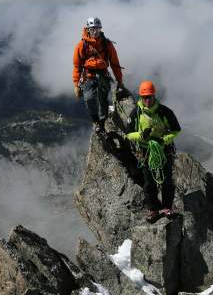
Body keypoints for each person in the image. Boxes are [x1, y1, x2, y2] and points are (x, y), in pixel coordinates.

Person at [125, 80, 181, 222]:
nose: (147, 100)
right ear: (141, 97)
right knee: (149, 182)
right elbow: (128, 133)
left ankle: (167, 207)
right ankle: (153, 209)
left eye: (149, 97)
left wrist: (164, 140)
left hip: (164, 150)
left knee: (167, 180)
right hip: (145, 151)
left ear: (154, 96)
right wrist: (141, 135)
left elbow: (176, 130)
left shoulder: (164, 112)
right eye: (144, 97)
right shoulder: (136, 113)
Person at [73, 17, 124, 135]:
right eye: (92, 29)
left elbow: (115, 64)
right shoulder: (82, 45)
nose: (95, 31)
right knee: (89, 99)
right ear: (88, 30)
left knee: (102, 100)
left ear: (100, 29)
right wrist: (76, 85)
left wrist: (119, 80)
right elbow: (77, 66)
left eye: (97, 29)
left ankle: (101, 123)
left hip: (102, 75)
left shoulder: (107, 44)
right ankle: (95, 120)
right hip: (88, 75)